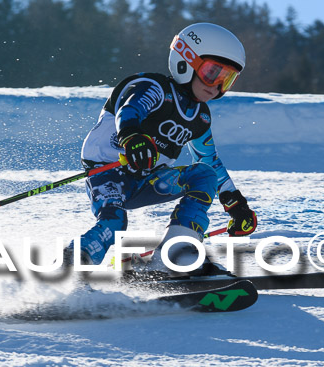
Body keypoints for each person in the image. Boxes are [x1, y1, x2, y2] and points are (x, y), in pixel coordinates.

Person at [64, 22, 257, 275]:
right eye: (213, 73)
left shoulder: (200, 117)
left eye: (227, 79)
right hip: (108, 172)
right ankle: (68, 270)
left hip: (147, 180)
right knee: (114, 222)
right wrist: (132, 137)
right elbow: (129, 110)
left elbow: (209, 159)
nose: (216, 86)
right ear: (186, 60)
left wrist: (235, 204)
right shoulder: (153, 88)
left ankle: (175, 256)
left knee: (203, 174)